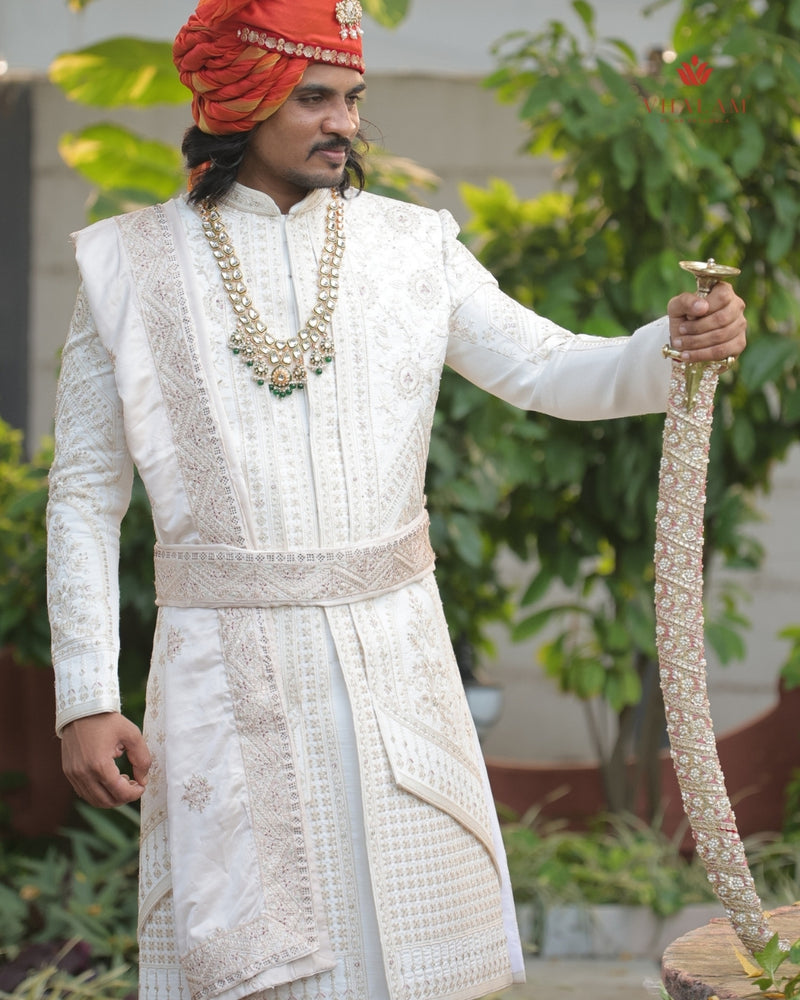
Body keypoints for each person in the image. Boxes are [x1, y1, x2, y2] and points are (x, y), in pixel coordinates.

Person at [46, 2, 747, 999]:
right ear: (241, 103)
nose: (344, 122)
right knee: (254, 969)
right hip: (222, 680)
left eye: (352, 99)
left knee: (418, 962)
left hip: (395, 667)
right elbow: (81, 495)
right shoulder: (124, 265)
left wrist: (668, 344)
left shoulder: (412, 248)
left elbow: (547, 366)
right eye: (315, 99)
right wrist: (85, 693)